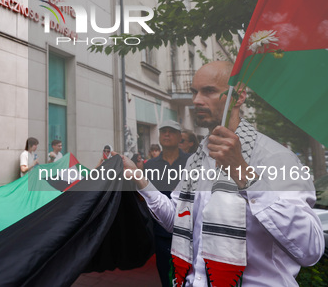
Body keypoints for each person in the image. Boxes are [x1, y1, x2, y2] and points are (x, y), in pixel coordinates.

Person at [123, 61, 324, 286]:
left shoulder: (276, 158)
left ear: (238, 97)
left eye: (208, 91)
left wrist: (244, 174)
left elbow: (311, 249)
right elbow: (176, 220)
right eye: (194, 92)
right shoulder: (197, 160)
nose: (197, 100)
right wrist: (140, 179)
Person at [143, 120, 190, 287]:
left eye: (171, 131)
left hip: (188, 231)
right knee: (166, 274)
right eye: (164, 131)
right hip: (161, 232)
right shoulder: (150, 166)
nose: (167, 134)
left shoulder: (192, 162)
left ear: (180, 137)